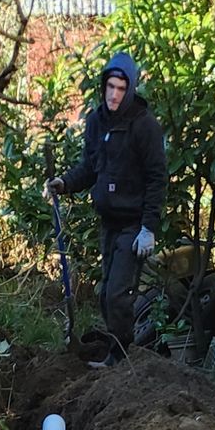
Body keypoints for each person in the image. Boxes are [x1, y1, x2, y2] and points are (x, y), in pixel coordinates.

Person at [46, 52, 167, 364]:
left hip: (134, 224)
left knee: (116, 295)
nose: (114, 95)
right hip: (109, 223)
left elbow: (157, 178)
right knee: (105, 296)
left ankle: (122, 357)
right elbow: (90, 167)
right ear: (103, 87)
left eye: (121, 89)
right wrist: (64, 183)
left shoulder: (145, 127)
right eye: (110, 87)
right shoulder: (97, 122)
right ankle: (118, 358)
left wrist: (149, 228)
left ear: (130, 90)